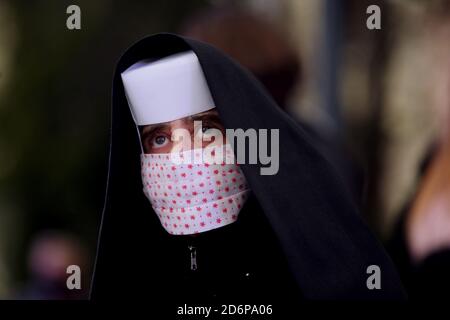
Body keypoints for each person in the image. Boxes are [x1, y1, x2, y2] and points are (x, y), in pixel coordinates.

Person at [90, 33, 405, 307]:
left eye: (206, 129)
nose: (182, 153)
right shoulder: (138, 273)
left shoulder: (306, 251)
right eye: (160, 138)